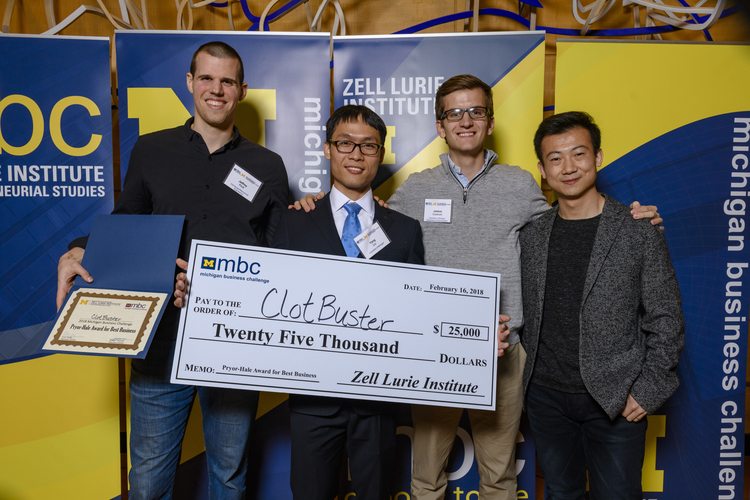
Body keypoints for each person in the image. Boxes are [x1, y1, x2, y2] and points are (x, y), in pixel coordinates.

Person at [295, 75, 662, 499]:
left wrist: (632, 218)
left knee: (499, 476)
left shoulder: (521, 183)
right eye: (454, 113)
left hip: (504, 351)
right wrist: (313, 205)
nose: (465, 120)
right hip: (432, 352)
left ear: (490, 121)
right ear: (440, 126)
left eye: (476, 111)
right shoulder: (415, 189)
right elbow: (361, 217)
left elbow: (569, 221)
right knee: (426, 476)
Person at [55, 41, 290, 500]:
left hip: (233, 342)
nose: (216, 89)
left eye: (227, 81)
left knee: (228, 475)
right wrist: (80, 249)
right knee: (146, 479)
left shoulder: (268, 165)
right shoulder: (152, 149)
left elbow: (278, 252)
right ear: (189, 82)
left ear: (242, 90)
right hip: (160, 334)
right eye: (206, 78)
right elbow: (127, 222)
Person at [520, 111, 684, 499]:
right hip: (545, 397)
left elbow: (666, 318)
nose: (569, 167)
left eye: (579, 153)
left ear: (598, 157)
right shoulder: (531, 235)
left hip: (615, 398)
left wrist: (647, 390)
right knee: (561, 492)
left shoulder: (638, 232)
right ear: (543, 170)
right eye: (556, 158)